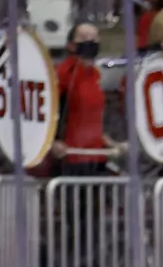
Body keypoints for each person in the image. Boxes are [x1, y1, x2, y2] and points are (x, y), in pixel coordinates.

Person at [51, 22, 119, 175]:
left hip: (96, 155)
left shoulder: (96, 75)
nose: (91, 41)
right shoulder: (63, 73)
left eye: (95, 37)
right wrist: (53, 141)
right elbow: (52, 109)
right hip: (69, 155)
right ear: (71, 44)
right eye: (84, 37)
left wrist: (107, 140)